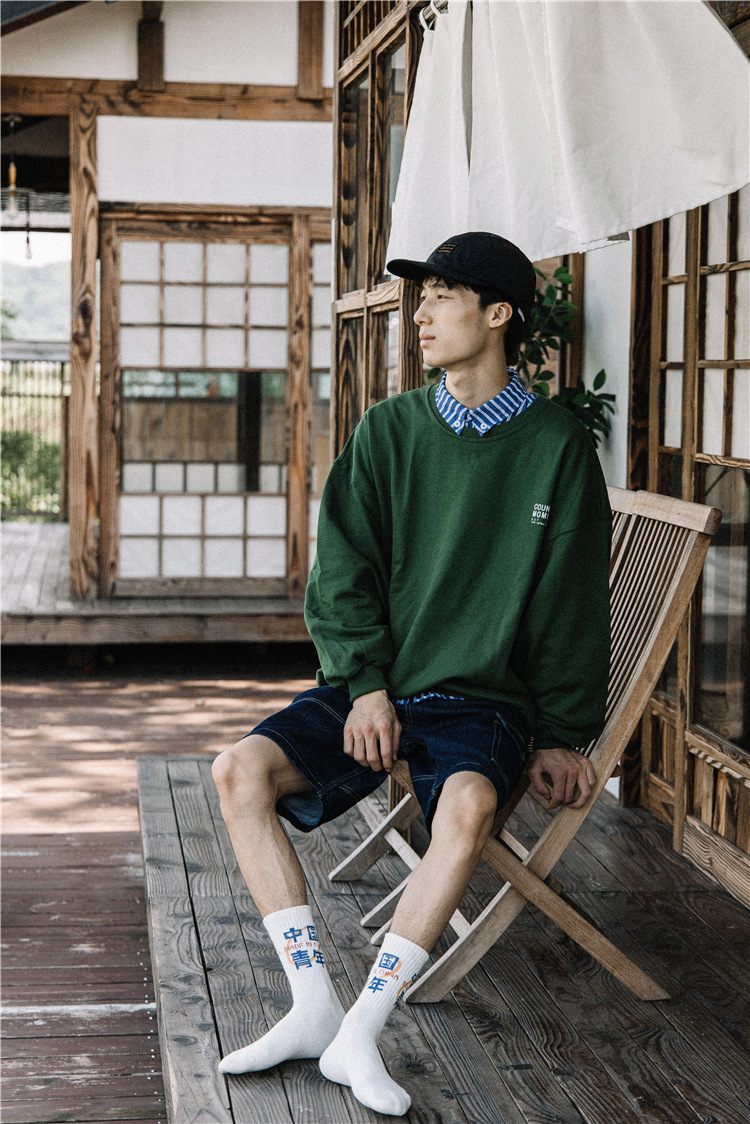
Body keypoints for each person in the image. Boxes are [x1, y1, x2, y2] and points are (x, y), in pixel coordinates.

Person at [212, 231, 611, 1117]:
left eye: (442, 296)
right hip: (380, 687)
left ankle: (363, 1029)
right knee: (238, 772)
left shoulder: (557, 447)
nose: (421, 315)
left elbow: (573, 605)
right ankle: (312, 1006)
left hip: (482, 701)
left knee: (466, 808)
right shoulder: (389, 430)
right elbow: (341, 571)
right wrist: (362, 684)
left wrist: (559, 734)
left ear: (499, 314)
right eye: (420, 298)